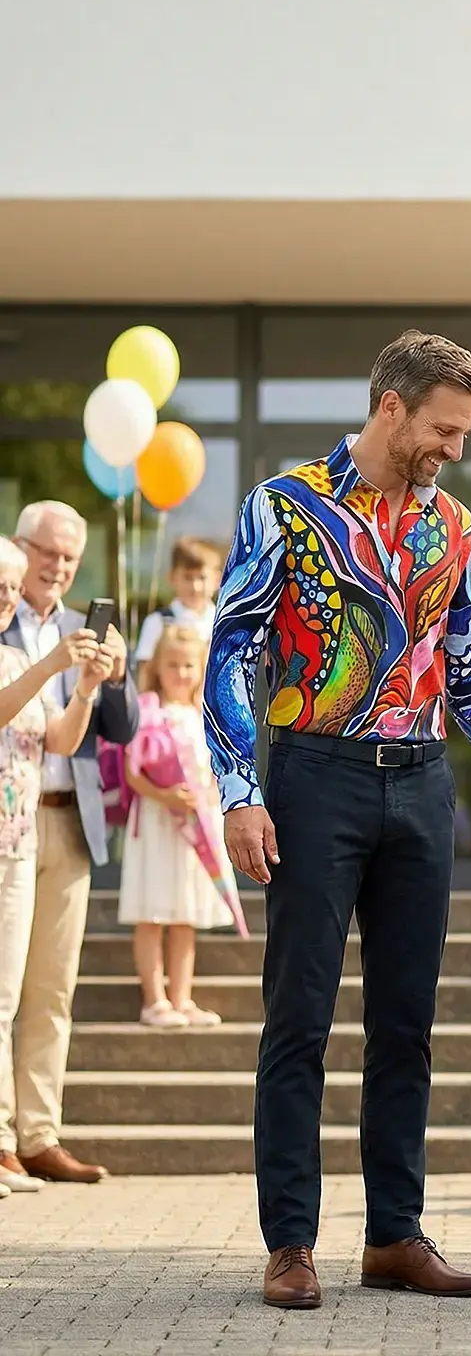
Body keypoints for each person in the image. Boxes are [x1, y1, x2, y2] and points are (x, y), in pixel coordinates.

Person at [204, 330, 471, 1310]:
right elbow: (231, 649)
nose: (454, 448)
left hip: (421, 784)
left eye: (465, 433)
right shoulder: (284, 505)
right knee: (299, 1019)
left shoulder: (454, 528)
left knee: (405, 1025)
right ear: (392, 407)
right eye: (444, 429)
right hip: (313, 777)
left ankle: (394, 1235)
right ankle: (290, 1244)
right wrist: (238, 788)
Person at [0, 501, 139, 1188]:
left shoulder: (90, 627)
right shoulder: (2, 619)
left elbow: (125, 727)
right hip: (10, 823)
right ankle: (0, 1135)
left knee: (53, 989)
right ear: (20, 550)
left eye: (69, 559)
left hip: (70, 819)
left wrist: (110, 675)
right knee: (3, 987)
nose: (57, 568)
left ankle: (39, 1135)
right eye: (47, 553)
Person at [119, 627, 232, 1029]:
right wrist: (165, 796)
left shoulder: (207, 716)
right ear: (157, 667)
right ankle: (155, 1000)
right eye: (172, 664)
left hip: (195, 825)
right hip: (156, 821)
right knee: (152, 911)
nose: (181, 673)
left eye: (189, 665)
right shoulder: (147, 711)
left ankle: (182, 997)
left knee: (185, 914)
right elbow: (131, 772)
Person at [134, 537, 222, 685]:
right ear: (172, 577)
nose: (195, 586)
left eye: (202, 577)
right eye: (187, 577)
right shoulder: (158, 622)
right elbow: (145, 674)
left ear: (217, 580)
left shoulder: (222, 622)